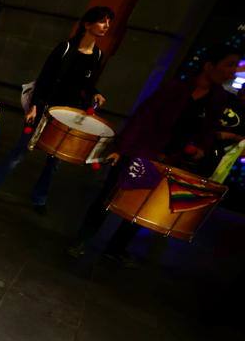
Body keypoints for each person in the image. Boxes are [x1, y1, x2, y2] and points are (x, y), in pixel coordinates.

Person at [68, 44, 242, 265]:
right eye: (229, 65)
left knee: (146, 206)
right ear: (209, 66)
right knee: (110, 197)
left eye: (235, 66)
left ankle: (116, 248)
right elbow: (143, 117)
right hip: (142, 152)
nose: (233, 71)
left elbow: (206, 131)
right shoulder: (176, 88)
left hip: (172, 161)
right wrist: (121, 149)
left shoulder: (218, 98)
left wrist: (200, 148)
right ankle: (82, 240)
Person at [0, 6, 113, 214]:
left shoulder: (97, 55)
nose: (107, 26)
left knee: (54, 161)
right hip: (46, 109)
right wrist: (34, 106)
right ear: (87, 24)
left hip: (70, 114)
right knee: (19, 153)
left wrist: (95, 92)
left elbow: (86, 83)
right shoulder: (65, 48)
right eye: (102, 21)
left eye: (109, 22)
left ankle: (39, 199)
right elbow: (45, 78)